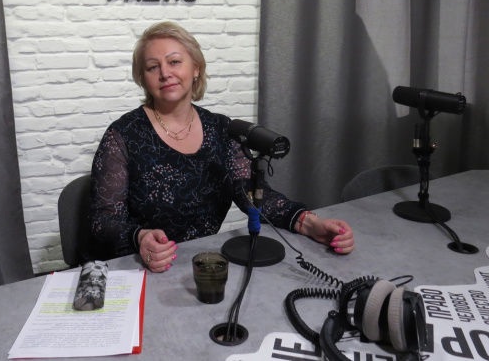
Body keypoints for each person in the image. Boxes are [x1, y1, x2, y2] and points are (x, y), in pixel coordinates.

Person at [89, 21, 355, 272]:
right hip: (138, 267)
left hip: (204, 265)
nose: (165, 73)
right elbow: (103, 222)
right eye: (152, 67)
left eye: (174, 62)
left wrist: (309, 223)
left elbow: (250, 193)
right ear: (143, 78)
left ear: (195, 68)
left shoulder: (222, 129)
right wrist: (139, 238)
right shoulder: (122, 135)